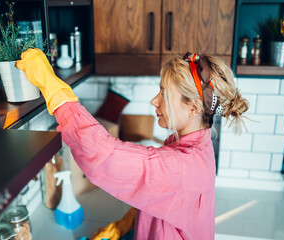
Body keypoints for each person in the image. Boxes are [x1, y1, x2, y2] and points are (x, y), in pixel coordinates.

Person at [16, 49, 249, 240]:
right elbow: (171, 204)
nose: (154, 101)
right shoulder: (199, 146)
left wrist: (53, 88)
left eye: (164, 93)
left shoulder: (182, 167)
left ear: (193, 108)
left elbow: (102, 154)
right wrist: (129, 224)